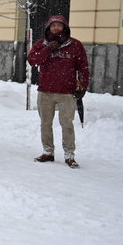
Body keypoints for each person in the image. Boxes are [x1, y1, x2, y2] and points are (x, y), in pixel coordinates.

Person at [27, 14, 89, 168]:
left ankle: (69, 155)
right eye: (53, 25)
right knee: (45, 123)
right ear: (48, 28)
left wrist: (82, 86)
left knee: (67, 124)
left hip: (67, 92)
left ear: (65, 27)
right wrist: (47, 49)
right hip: (45, 91)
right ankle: (48, 152)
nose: (56, 28)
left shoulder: (75, 45)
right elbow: (32, 60)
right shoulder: (42, 43)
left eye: (59, 25)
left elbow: (83, 68)